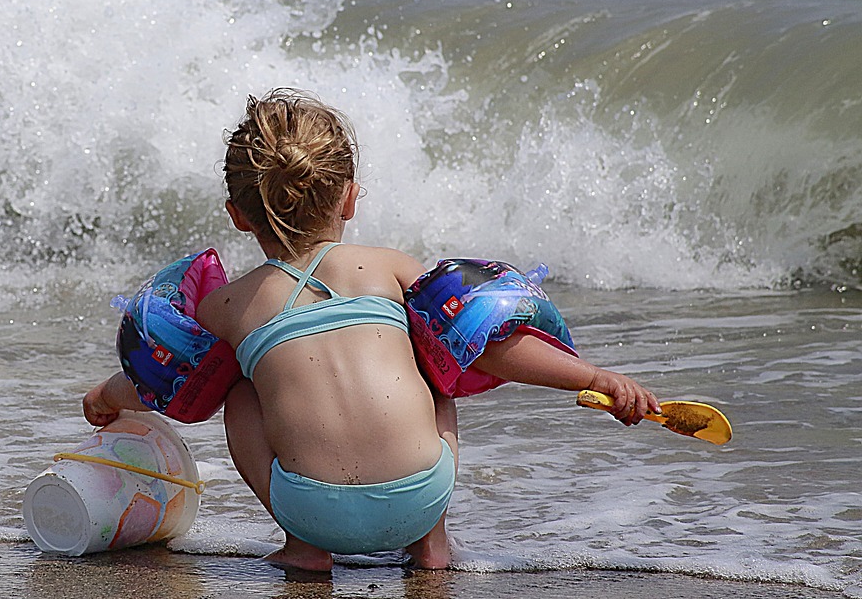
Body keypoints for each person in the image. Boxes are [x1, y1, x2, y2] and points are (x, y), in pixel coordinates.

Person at [83, 88, 659, 572]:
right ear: (350, 196)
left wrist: (104, 397)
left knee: (237, 388)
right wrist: (594, 377)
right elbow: (493, 349)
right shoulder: (388, 267)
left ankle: (303, 550)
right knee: (438, 357)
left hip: (312, 510)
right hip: (419, 493)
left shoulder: (232, 304)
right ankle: (431, 545)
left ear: (237, 215)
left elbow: (161, 378)